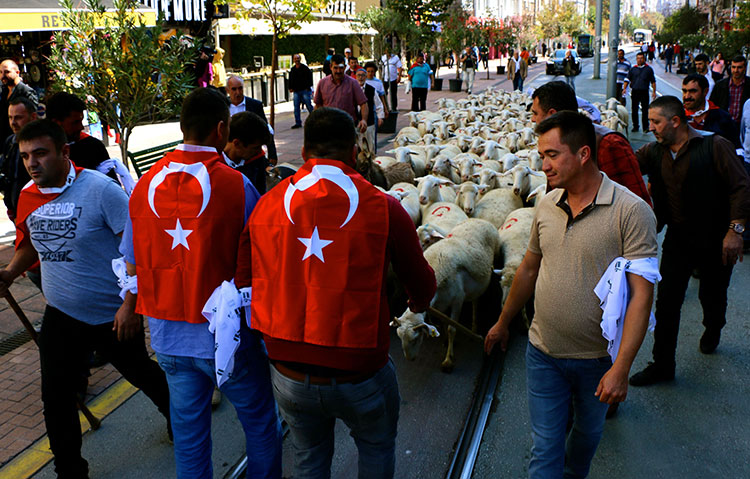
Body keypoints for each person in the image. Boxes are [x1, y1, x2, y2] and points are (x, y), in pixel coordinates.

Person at [235, 106, 436, 479]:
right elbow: (422, 284)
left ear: (306, 149)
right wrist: (416, 304)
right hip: (360, 370)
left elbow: (245, 282)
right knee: (376, 449)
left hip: (289, 370)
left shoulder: (266, 205)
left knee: (309, 459)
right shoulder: (385, 208)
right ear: (354, 152)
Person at [118, 87, 282, 478]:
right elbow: (262, 261)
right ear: (222, 129)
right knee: (260, 424)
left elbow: (131, 263)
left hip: (168, 338)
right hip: (228, 341)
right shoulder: (236, 186)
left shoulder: (143, 187)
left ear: (181, 126)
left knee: (190, 440)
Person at [484, 111, 658, 479]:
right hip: (543, 352)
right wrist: (503, 321)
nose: (543, 165)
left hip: (597, 360)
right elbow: (530, 267)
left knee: (585, 438)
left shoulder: (631, 211)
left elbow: (642, 296)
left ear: (582, 154)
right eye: (541, 155)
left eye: (552, 155)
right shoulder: (547, 204)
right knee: (545, 446)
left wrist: (622, 368)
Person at [0, 119, 171, 479]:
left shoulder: (101, 191)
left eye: (41, 154)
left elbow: (138, 248)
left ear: (64, 152)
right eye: (26, 155)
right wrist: (11, 272)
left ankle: (179, 419)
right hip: (61, 315)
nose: (32, 163)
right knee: (56, 399)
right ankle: (70, 471)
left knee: (142, 375)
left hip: (111, 314)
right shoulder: (28, 195)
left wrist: (130, 304)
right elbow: (30, 243)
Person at [629, 96, 750, 386]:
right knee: (667, 303)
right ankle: (662, 365)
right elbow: (627, 168)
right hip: (678, 239)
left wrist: (735, 232)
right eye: (649, 122)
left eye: (656, 122)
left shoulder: (714, 146)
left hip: (716, 240)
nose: (651, 128)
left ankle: (713, 327)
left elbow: (741, 187)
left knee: (712, 296)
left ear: (675, 121)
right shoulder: (654, 151)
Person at [531, 81, 652, 206]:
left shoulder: (609, 145)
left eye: (535, 113)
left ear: (552, 114)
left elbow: (638, 206)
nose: (532, 119)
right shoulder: (552, 145)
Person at [46, 92, 110, 171]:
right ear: (56, 123)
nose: (81, 127)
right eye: (75, 122)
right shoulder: (38, 152)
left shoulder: (93, 147)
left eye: (81, 121)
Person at [226, 75, 278, 164]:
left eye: (240, 88)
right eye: (234, 89)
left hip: (251, 155)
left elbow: (265, 129)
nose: (238, 93)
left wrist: (272, 154)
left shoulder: (255, 105)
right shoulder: (223, 105)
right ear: (227, 90)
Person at [1, 97, 37, 221]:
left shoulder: (42, 143)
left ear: (32, 117)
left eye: (18, 117)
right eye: (10, 118)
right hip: (15, 207)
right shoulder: (10, 142)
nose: (13, 122)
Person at [682, 73, 741, 148]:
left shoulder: (723, 118)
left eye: (693, 91)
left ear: (705, 92)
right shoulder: (678, 116)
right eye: (684, 91)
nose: (687, 96)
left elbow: (736, 148)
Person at [314, 54, 368, 133]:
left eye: (341, 68)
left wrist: (364, 120)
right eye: (335, 68)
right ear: (330, 67)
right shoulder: (322, 83)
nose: (338, 71)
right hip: (328, 127)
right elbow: (318, 105)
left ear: (345, 67)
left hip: (348, 127)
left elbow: (363, 103)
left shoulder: (353, 83)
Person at [225, 111, 273, 194]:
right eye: (256, 148)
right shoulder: (214, 162)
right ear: (237, 143)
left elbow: (260, 192)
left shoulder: (257, 159)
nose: (259, 152)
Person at [0, 59, 38, 143]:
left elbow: (33, 118)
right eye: (1, 72)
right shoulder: (3, 92)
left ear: (17, 73)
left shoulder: (26, 91)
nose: (3, 76)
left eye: (7, 72)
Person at [709, 55, 750, 124]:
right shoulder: (720, 85)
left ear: (745, 68)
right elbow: (712, 105)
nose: (736, 70)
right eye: (733, 67)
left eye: (739, 67)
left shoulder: (748, 84)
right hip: (723, 124)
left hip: (743, 125)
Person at [623, 51, 656, 133]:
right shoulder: (633, 69)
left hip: (644, 92)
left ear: (644, 59)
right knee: (634, 110)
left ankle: (645, 127)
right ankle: (635, 126)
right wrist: (624, 88)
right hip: (635, 92)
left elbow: (653, 81)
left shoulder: (648, 69)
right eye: (638, 58)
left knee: (645, 110)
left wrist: (654, 92)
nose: (639, 60)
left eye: (641, 58)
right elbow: (627, 79)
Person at [289, 53, 314, 129]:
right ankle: (298, 122)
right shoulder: (293, 69)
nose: (296, 60)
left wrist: (308, 87)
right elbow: (290, 79)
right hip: (296, 91)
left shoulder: (305, 68)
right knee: (296, 107)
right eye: (295, 58)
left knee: (309, 105)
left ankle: (314, 119)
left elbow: (310, 77)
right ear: (293, 60)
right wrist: (290, 87)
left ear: (300, 59)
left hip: (304, 90)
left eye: (298, 58)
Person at [381, 48, 403, 113]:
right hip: (385, 78)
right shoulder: (383, 58)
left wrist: (399, 77)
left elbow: (400, 67)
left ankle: (394, 107)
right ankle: (385, 107)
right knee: (384, 93)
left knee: (393, 93)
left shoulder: (395, 57)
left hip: (393, 78)